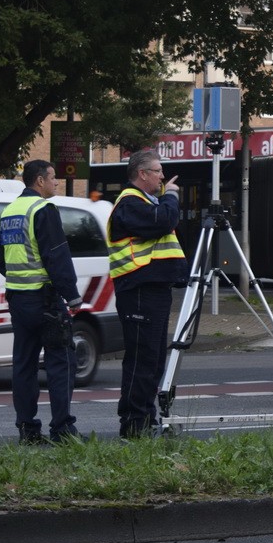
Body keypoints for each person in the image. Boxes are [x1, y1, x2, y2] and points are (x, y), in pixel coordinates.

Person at [0, 160, 83, 444]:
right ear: (40, 181)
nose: (56, 182)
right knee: (61, 363)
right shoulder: (42, 210)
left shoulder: (7, 213)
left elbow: (0, 261)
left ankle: (28, 430)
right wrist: (71, 294)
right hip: (46, 301)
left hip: (18, 301)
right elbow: (56, 254)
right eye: (53, 177)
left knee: (23, 365)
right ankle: (62, 430)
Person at [107, 150, 187, 438]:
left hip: (152, 290)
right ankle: (134, 424)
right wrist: (172, 196)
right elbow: (163, 220)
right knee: (143, 359)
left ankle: (145, 418)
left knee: (152, 360)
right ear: (142, 174)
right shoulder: (130, 203)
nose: (162, 177)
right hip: (138, 290)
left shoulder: (144, 202)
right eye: (158, 171)